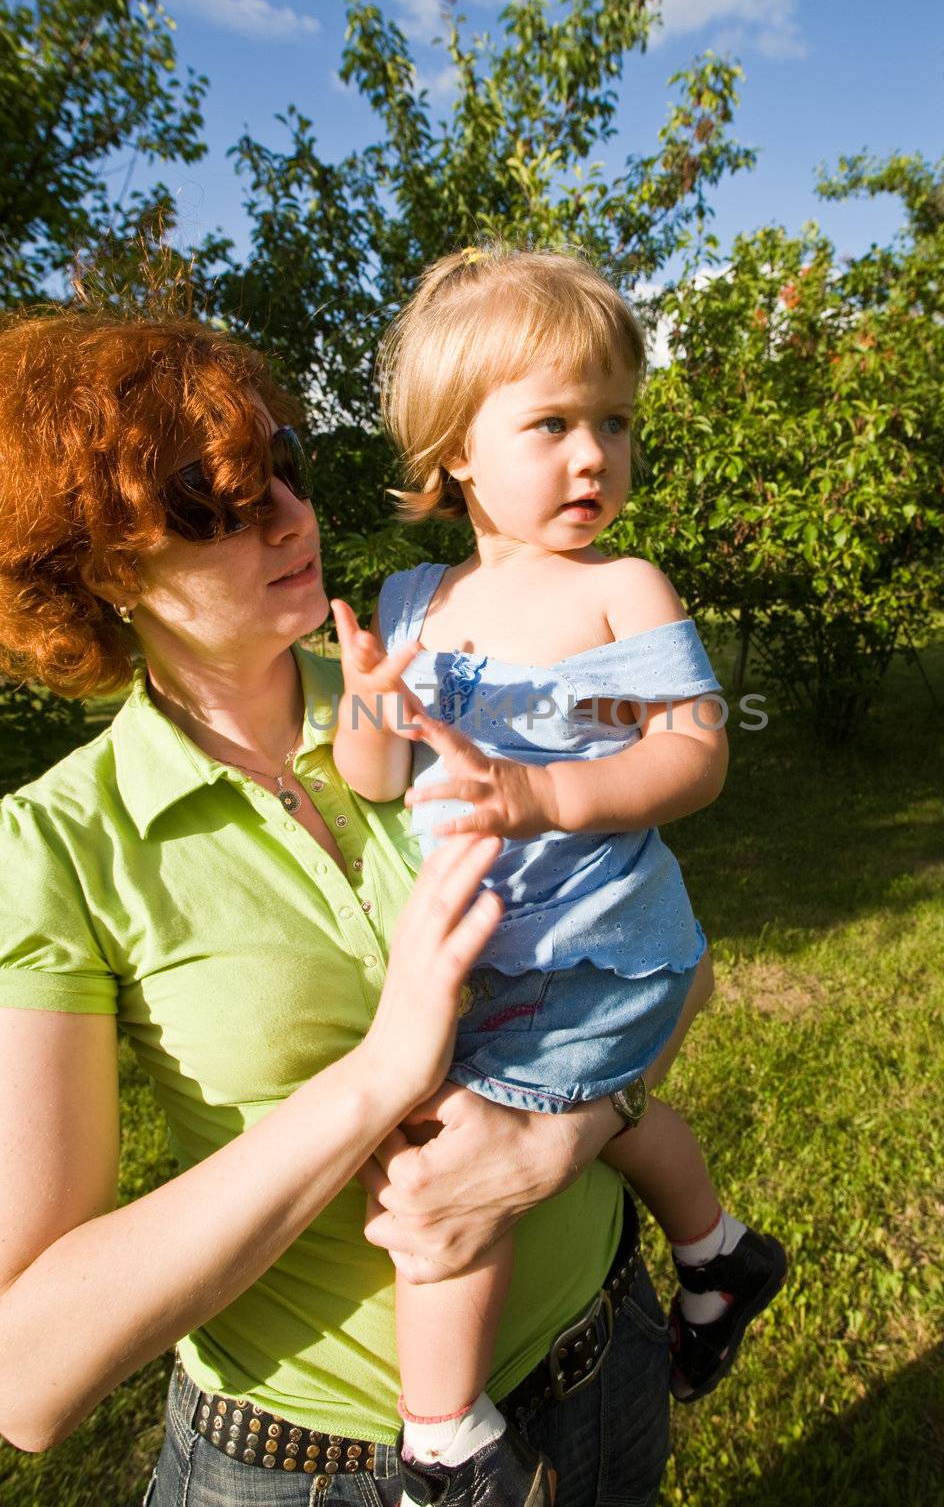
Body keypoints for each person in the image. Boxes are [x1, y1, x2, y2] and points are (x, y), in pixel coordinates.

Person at [0, 311, 704, 1507]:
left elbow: (665, 949)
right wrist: (379, 1075)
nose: (287, 514)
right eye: (211, 503)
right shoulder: (55, 848)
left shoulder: (449, 680)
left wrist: (564, 1132)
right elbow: (26, 1375)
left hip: (601, 1361)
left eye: (284, 464)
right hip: (307, 1471)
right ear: (104, 567)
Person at [331, 244, 788, 1507]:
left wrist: (541, 792)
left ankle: (442, 1441)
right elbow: (373, 776)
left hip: (592, 944)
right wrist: (371, 706)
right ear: (457, 451)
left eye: (615, 424)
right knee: (593, 1121)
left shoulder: (615, 594)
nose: (594, 456)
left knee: (453, 1171)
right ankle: (717, 1252)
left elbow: (691, 755)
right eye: (553, 423)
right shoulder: (416, 600)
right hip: (491, 950)